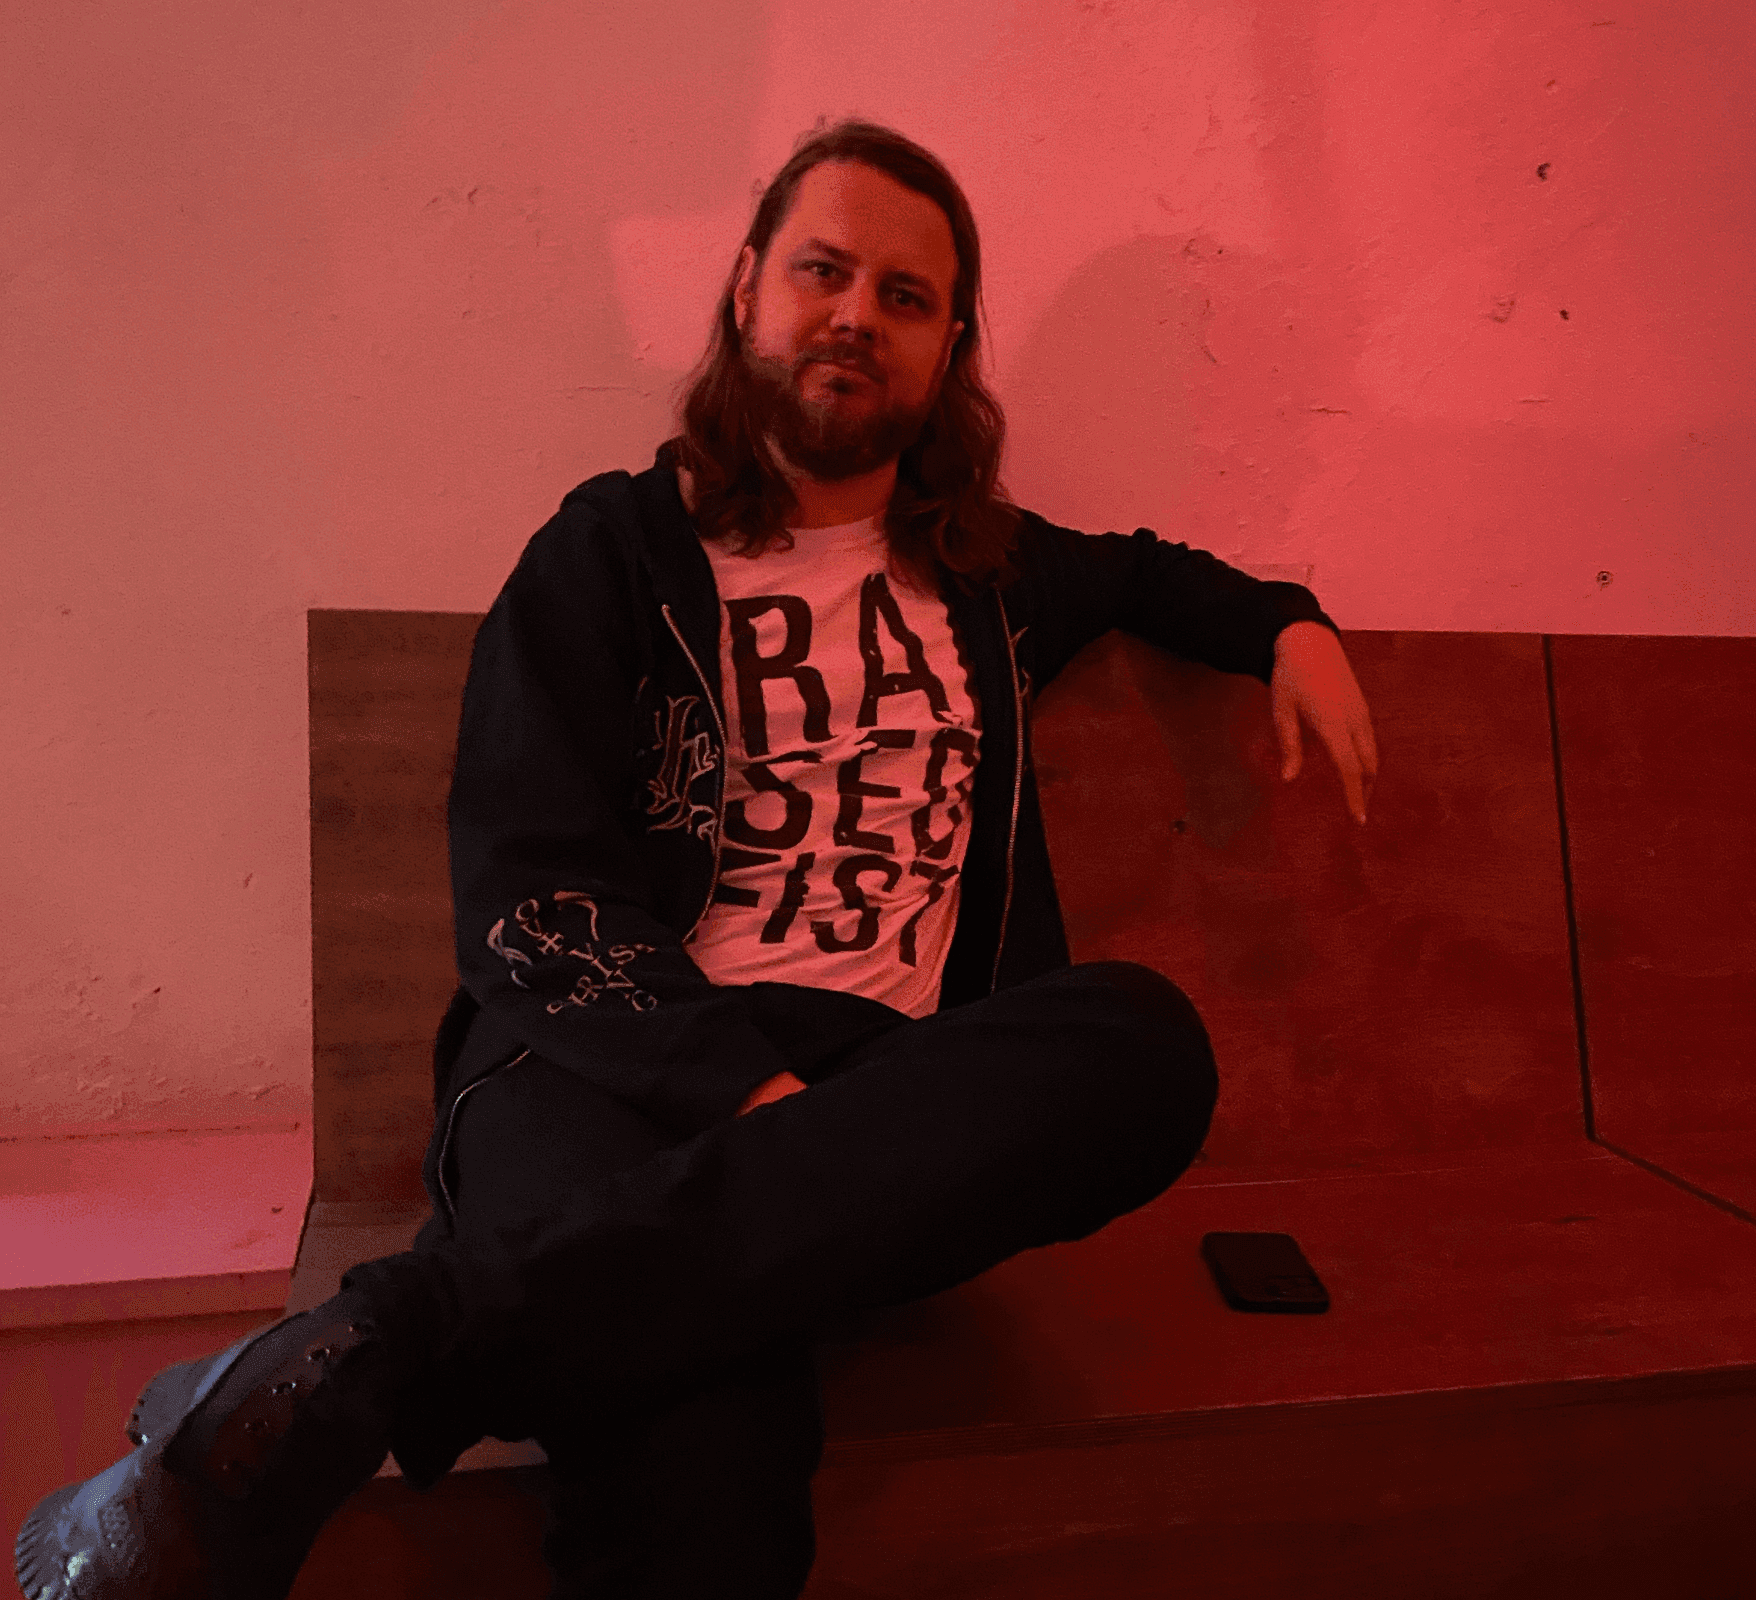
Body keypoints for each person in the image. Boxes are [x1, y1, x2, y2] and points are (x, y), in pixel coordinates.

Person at [16, 118, 1377, 1600]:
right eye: (822, 271)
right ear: (746, 290)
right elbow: (527, 895)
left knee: (1146, 1043)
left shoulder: (993, 576)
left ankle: (381, 1342)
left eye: (906, 296)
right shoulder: (608, 551)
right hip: (598, 1069)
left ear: (948, 351)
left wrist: (1288, 625)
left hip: (884, 1094)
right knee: (707, 1439)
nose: (856, 314)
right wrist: (742, 1089)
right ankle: (395, 1348)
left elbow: (1153, 571)